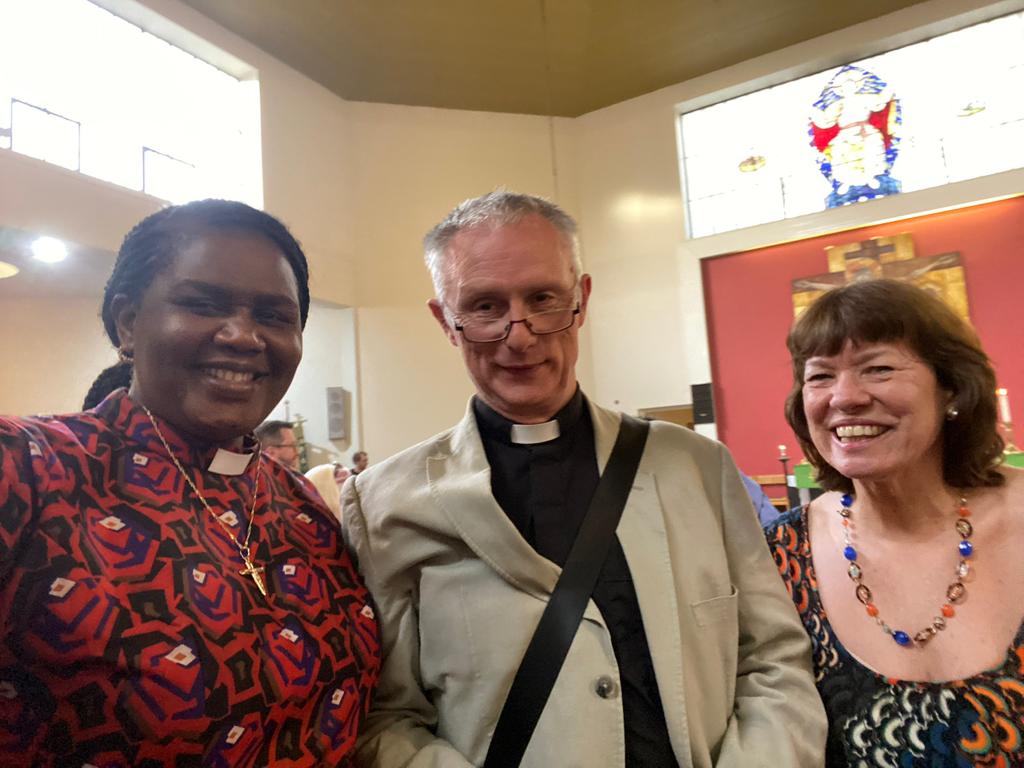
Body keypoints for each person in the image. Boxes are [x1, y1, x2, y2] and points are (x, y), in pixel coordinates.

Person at [342, 191, 825, 766]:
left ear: (582, 298)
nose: (518, 335)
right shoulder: (383, 504)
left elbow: (773, 661)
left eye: (543, 299)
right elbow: (388, 717)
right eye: (485, 306)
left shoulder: (697, 468)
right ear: (446, 321)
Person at [0, 199, 380, 766]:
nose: (244, 337)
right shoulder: (28, 468)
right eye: (203, 305)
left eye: (275, 316)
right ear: (128, 323)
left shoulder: (306, 508)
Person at [766, 278, 1024, 766]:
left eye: (878, 368)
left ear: (951, 387)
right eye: (820, 376)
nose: (845, 398)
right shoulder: (780, 556)